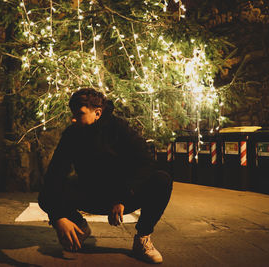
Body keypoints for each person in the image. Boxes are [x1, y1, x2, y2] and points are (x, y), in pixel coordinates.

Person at [38, 88, 173, 264]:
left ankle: (142, 238)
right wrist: (57, 217)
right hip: (91, 194)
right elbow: (54, 176)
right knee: (46, 194)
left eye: (79, 114)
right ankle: (79, 226)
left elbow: (146, 163)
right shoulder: (72, 134)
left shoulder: (119, 129)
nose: (73, 119)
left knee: (161, 180)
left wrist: (123, 197)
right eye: (72, 114)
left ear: (98, 113)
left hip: (123, 198)